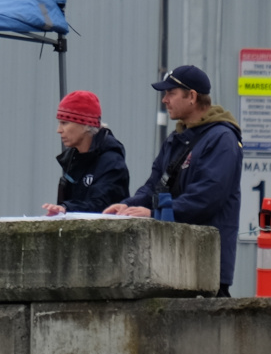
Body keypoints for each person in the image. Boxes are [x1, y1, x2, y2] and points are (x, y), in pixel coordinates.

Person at [104, 65, 244, 296]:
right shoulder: (178, 138)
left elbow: (206, 198)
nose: (164, 100)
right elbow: (155, 186)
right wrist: (129, 206)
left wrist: (153, 214)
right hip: (173, 265)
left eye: (171, 93)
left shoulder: (222, 139)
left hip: (205, 269)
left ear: (192, 96)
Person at [41, 91, 130, 215]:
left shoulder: (112, 161)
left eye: (64, 123)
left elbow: (101, 206)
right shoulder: (74, 158)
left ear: (85, 124)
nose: (59, 130)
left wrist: (66, 208)